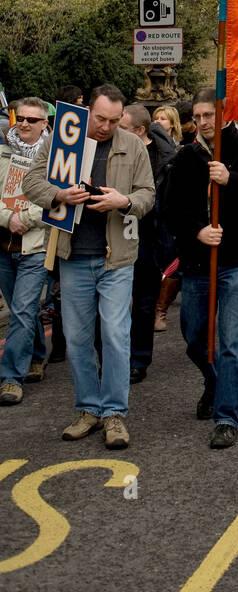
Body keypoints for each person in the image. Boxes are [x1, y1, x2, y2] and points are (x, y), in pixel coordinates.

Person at [23, 85, 155, 448]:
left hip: (117, 257)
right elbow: (31, 181)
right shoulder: (64, 140)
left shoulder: (131, 144)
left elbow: (148, 194)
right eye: (100, 118)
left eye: (114, 120)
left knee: (114, 335)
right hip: (73, 255)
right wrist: (58, 195)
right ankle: (88, 410)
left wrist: (124, 200)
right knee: (79, 340)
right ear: (88, 111)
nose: (106, 126)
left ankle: (114, 414)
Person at [164, 90, 238, 449]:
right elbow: (170, 211)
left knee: (231, 343)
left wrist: (232, 181)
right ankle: (212, 381)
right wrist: (197, 230)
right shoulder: (185, 158)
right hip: (198, 263)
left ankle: (227, 417)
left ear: (223, 113)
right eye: (197, 117)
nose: (202, 123)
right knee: (195, 337)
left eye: (208, 115)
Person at [119, 104, 177, 383]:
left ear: (140, 131)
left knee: (143, 304)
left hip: (149, 239)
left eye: (123, 128)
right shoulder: (113, 150)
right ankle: (114, 358)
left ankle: (138, 360)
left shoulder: (165, 157)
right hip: (116, 234)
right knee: (113, 304)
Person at [0, 97, 52, 404]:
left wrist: (26, 219)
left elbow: (55, 199)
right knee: (22, 308)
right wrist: (10, 218)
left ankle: (10, 378)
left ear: (44, 124)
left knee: (21, 310)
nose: (24, 124)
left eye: (32, 120)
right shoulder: (3, 152)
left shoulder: (55, 157)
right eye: (21, 118)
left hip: (34, 247)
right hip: (3, 245)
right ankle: (36, 355)